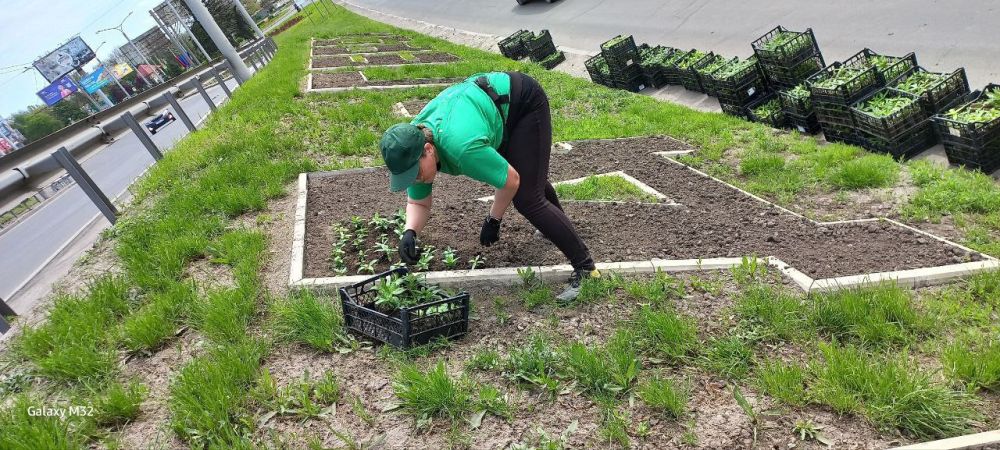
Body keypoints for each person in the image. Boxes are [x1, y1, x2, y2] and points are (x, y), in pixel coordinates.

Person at [379, 71, 600, 302]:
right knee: (530, 179)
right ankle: (555, 227)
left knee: (527, 199)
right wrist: (410, 232)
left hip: (521, 102)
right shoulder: (411, 144)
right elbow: (418, 202)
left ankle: (587, 270)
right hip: (491, 109)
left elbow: (511, 181)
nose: (415, 180)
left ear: (428, 150)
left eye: (415, 174)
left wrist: (493, 219)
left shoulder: (462, 149)